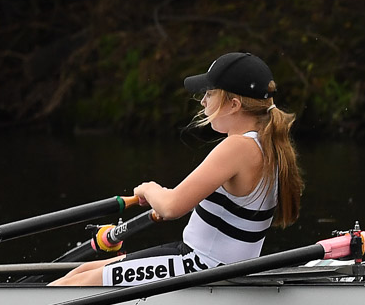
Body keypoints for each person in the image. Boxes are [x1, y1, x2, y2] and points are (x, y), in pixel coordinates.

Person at [52, 51, 302, 286]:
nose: (203, 101)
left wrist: (150, 190)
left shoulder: (237, 146)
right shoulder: (269, 143)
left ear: (234, 104)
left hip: (203, 268)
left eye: (210, 94)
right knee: (80, 272)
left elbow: (171, 207)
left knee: (75, 285)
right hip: (215, 264)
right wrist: (165, 200)